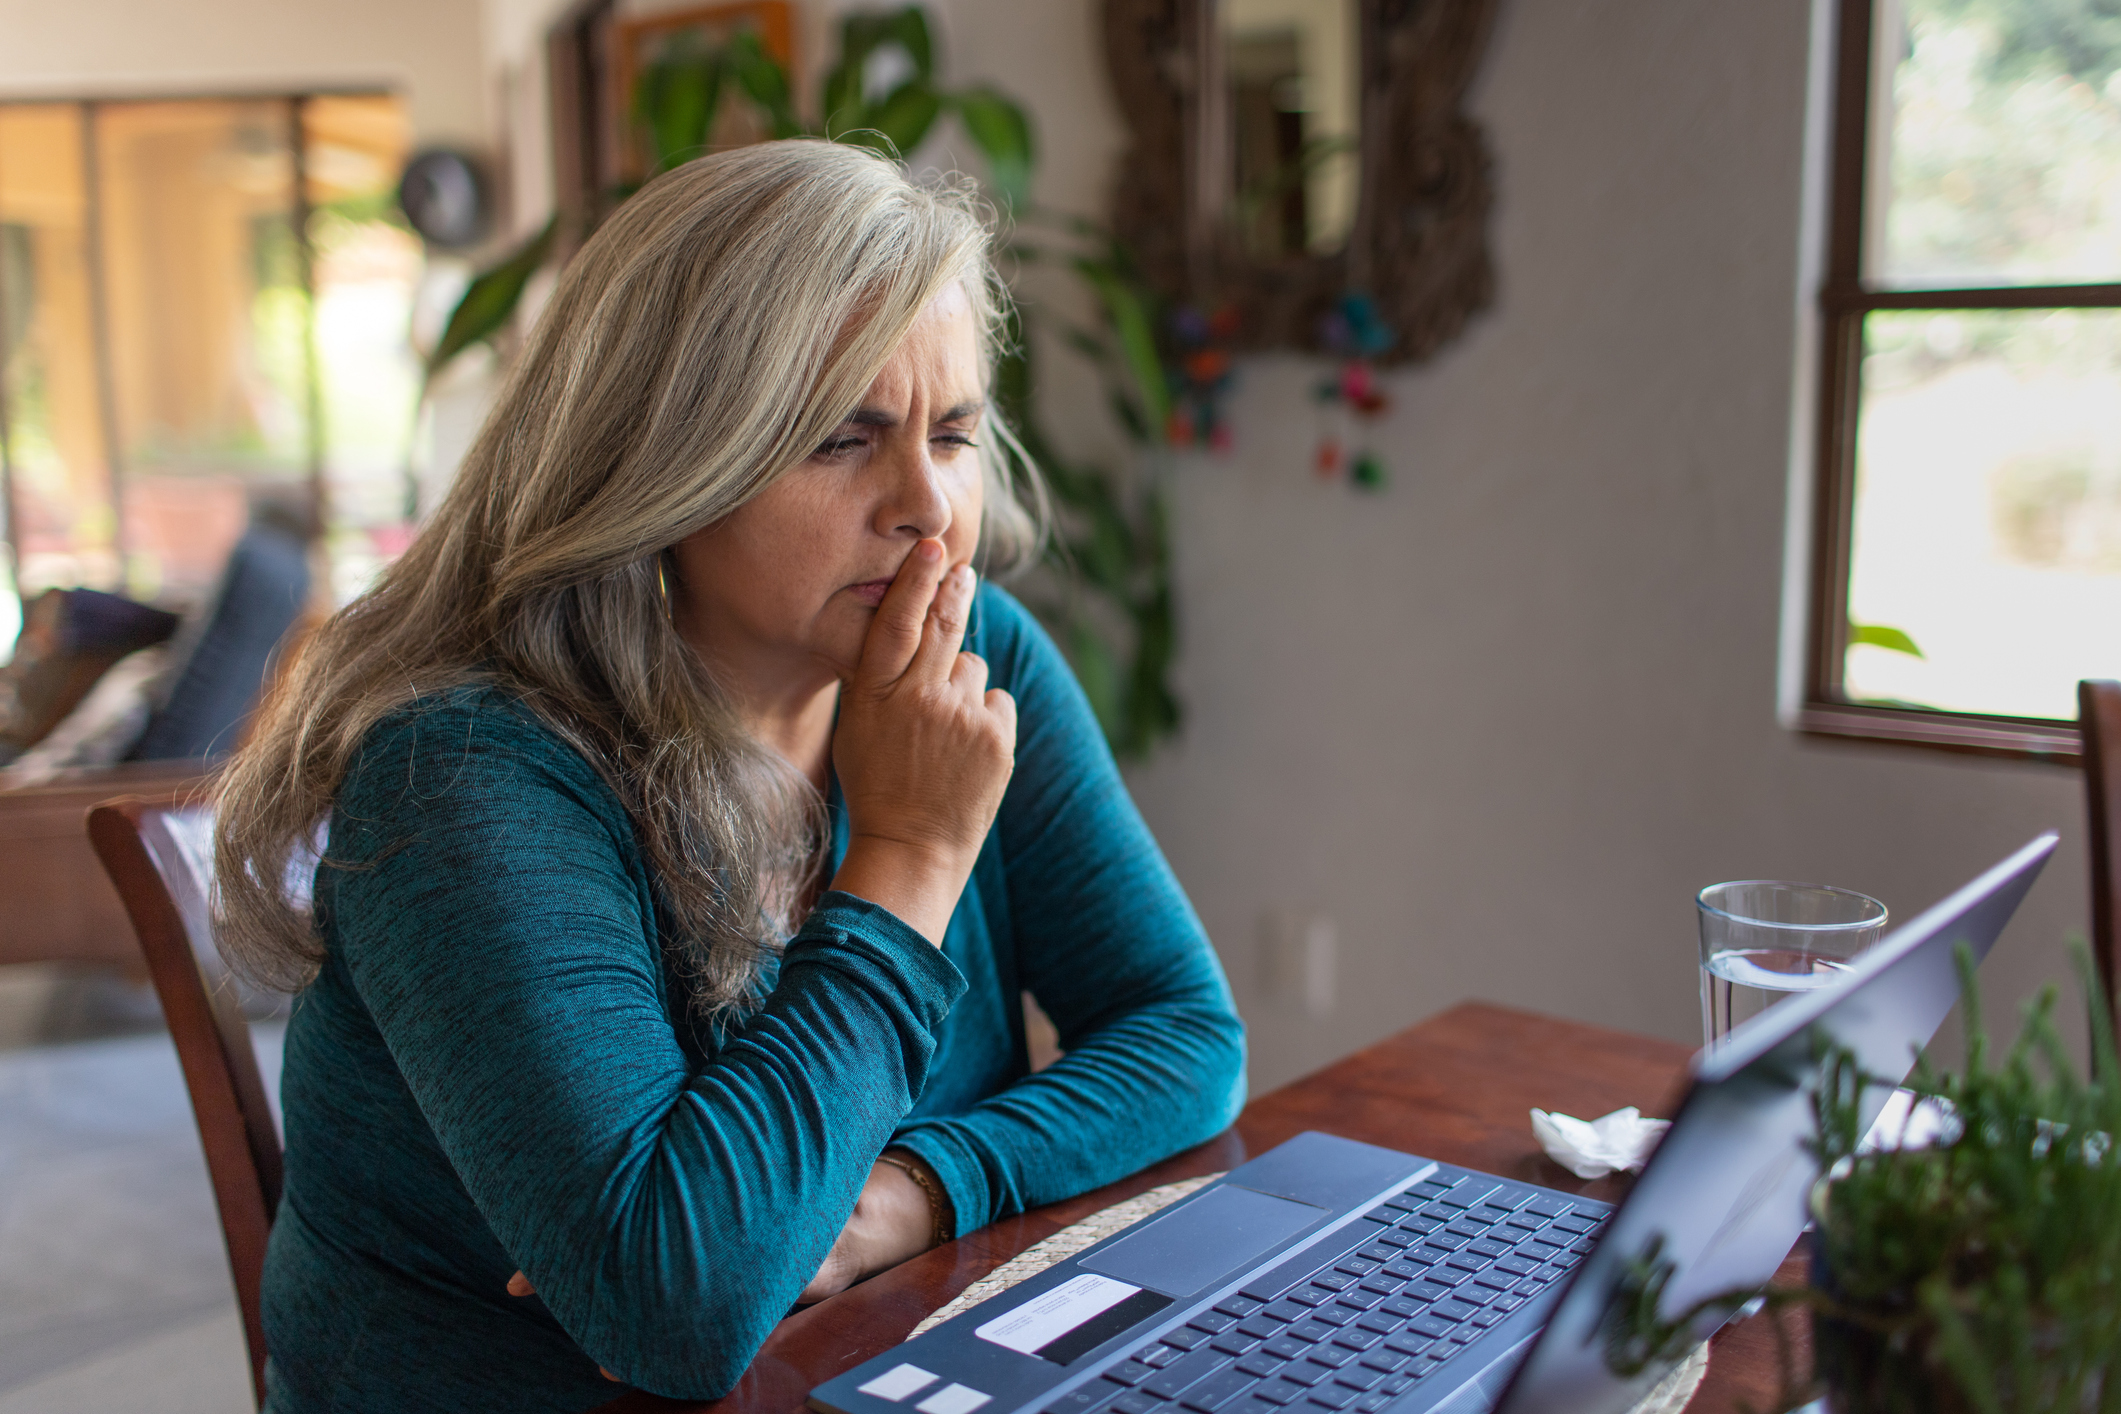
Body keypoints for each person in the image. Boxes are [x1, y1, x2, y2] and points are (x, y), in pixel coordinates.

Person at [211, 139, 1246, 1414]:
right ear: (660, 462)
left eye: (957, 433)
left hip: (872, 1371)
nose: (927, 504)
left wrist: (912, 1193)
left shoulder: (980, 664)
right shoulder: (466, 772)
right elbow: (678, 1306)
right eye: (840, 439)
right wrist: (912, 855)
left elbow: (1185, 1035)